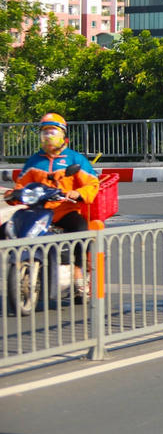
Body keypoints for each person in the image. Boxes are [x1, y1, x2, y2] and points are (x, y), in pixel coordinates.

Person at [6, 113, 100, 297]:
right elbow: (21, 185)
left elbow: (93, 183)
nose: (48, 136)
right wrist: (14, 195)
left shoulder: (75, 159)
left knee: (80, 229)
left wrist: (78, 193)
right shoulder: (34, 160)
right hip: (37, 211)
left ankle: (79, 274)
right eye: (44, 132)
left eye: (52, 131)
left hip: (64, 210)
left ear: (63, 135)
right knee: (9, 228)